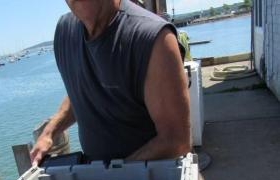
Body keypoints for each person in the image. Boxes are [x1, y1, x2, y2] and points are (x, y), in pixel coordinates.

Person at [30, 0, 190, 166]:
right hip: (95, 176)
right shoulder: (65, 32)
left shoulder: (152, 38)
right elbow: (81, 91)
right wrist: (49, 133)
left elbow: (176, 140)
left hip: (151, 179)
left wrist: (115, 174)